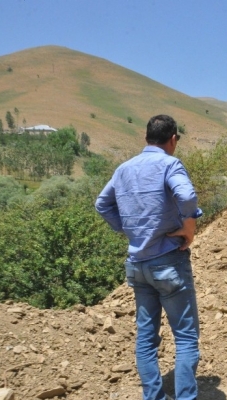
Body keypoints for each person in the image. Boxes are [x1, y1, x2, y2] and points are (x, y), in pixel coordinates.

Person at [95, 114, 202, 400]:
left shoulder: (123, 169)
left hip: (137, 266)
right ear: (173, 139)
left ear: (146, 138)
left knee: (145, 339)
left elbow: (102, 204)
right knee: (186, 337)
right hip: (169, 262)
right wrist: (188, 227)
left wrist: (129, 230)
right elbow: (187, 197)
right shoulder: (170, 164)